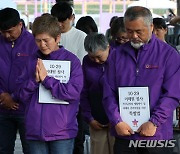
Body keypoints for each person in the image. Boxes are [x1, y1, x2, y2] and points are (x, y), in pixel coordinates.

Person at [102, 6, 180, 154]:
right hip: (125, 134)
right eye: (129, 31)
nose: (134, 36)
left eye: (139, 31)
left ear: (151, 27)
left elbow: (172, 94)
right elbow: (108, 93)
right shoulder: (116, 55)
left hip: (157, 135)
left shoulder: (169, 55)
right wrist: (116, 121)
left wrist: (154, 122)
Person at [15, 14, 83, 154]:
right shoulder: (30, 61)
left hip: (62, 132)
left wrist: (47, 80)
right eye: (38, 41)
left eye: (46, 40)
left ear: (57, 38)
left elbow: (73, 93)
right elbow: (20, 95)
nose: (42, 45)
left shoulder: (72, 61)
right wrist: (34, 81)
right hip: (35, 130)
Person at [0, 7, 38, 154]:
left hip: (27, 108)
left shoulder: (34, 43)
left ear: (20, 25)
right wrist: (3, 95)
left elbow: (36, 76)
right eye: (3, 32)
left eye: (10, 31)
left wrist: (15, 97)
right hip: (2, 107)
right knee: (3, 150)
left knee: (30, 150)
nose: (7, 35)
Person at [51, 2, 87, 154]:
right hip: (51, 94)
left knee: (77, 138)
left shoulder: (81, 36)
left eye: (63, 21)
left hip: (73, 94)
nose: (59, 24)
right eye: (56, 20)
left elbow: (81, 67)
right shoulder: (48, 36)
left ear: (72, 18)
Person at [81, 33, 115, 154]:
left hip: (118, 119)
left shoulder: (118, 58)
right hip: (96, 118)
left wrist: (117, 118)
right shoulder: (86, 61)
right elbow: (83, 91)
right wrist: (89, 118)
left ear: (108, 47)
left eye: (99, 56)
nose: (96, 60)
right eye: (92, 57)